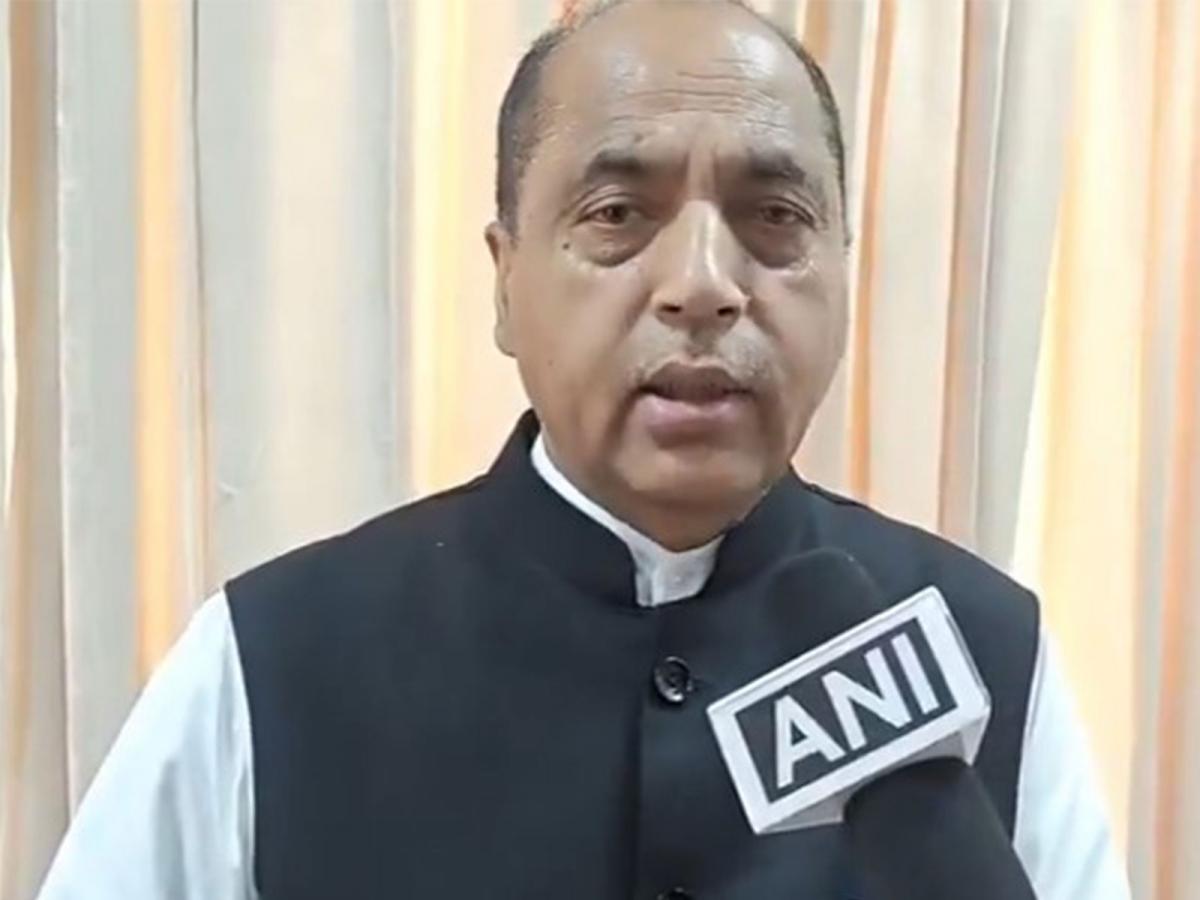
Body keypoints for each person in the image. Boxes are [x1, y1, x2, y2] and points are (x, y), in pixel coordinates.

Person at [37, 1, 1131, 898]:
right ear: (506, 280)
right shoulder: (269, 664)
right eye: (616, 214)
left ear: (843, 269)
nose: (703, 283)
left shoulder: (990, 654)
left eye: (774, 217)